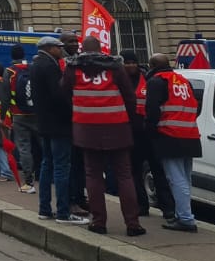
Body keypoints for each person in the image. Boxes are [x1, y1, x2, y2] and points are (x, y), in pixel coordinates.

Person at [61, 35, 145, 237]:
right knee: (124, 175)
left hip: (86, 128)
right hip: (117, 126)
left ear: (83, 49)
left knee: (93, 175)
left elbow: (63, 93)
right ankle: (133, 223)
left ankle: (99, 222)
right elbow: (129, 96)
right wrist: (132, 123)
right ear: (101, 49)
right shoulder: (115, 67)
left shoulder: (73, 68)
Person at [30, 35, 85, 224]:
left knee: (47, 166)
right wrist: (72, 112)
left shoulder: (36, 64)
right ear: (50, 48)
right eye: (58, 47)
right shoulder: (50, 66)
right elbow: (58, 95)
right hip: (59, 124)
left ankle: (44, 209)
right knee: (62, 167)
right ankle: (63, 212)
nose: (61, 49)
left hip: (44, 123)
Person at [145, 53, 202, 233]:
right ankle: (185, 213)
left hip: (170, 135)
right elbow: (196, 106)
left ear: (152, 66)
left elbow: (152, 109)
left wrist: (151, 130)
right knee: (185, 178)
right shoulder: (183, 81)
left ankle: (185, 219)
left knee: (175, 178)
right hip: (191, 134)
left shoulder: (156, 81)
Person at [122, 51, 172, 220]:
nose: (130, 65)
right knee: (135, 172)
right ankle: (141, 206)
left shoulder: (149, 78)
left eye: (132, 62)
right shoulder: (120, 81)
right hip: (131, 133)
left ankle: (168, 209)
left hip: (151, 132)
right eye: (126, 62)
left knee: (158, 171)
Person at [60, 31, 90, 215]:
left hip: (81, 120)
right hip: (69, 120)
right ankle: (71, 200)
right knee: (71, 164)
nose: (75, 44)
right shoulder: (64, 64)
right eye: (70, 41)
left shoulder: (77, 61)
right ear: (61, 44)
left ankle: (80, 197)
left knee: (80, 163)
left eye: (76, 41)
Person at [4, 45, 39, 193]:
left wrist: (2, 116)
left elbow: (5, 97)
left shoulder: (9, 71)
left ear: (11, 56)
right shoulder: (32, 68)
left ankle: (29, 182)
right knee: (43, 145)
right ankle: (46, 175)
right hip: (36, 113)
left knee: (24, 148)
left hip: (18, 115)